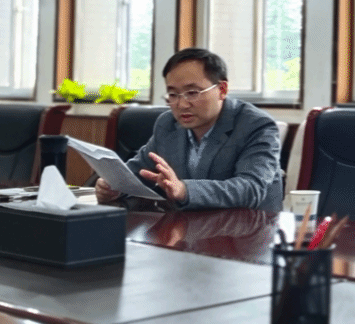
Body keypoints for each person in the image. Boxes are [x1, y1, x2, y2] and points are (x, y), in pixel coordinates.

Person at [95, 48, 282, 210]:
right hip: (189, 230)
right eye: (173, 94)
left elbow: (251, 189)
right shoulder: (168, 124)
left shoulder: (256, 126)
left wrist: (184, 190)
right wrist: (114, 186)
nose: (182, 104)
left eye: (192, 93)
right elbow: (139, 172)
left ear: (222, 90)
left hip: (248, 232)